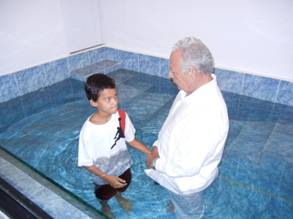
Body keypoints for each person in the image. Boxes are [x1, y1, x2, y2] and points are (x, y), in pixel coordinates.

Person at [145, 37, 229, 218]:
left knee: (190, 214)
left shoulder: (208, 114)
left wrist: (154, 161)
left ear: (191, 71)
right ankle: (177, 206)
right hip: (170, 170)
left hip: (185, 184)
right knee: (178, 205)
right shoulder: (189, 91)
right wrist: (158, 145)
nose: (169, 76)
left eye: (174, 72)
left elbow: (186, 167)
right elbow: (171, 123)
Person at [78, 73, 151, 218]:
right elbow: (86, 163)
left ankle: (119, 197)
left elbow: (131, 140)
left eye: (115, 96)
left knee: (121, 187)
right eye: (107, 99)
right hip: (104, 175)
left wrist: (149, 153)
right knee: (103, 196)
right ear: (93, 102)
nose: (114, 102)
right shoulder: (88, 132)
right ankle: (105, 207)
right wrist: (106, 177)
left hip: (123, 167)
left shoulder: (121, 116)